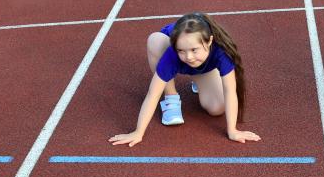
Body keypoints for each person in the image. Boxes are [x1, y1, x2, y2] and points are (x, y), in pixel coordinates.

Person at [109, 12, 260, 146]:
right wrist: (138, 132)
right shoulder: (172, 54)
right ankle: (171, 96)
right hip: (167, 49)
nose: (188, 57)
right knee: (155, 40)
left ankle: (198, 79)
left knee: (216, 108)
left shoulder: (222, 52)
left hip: (204, 67)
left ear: (209, 41)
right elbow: (152, 95)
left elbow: (230, 91)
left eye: (194, 50)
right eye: (181, 51)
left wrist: (232, 131)